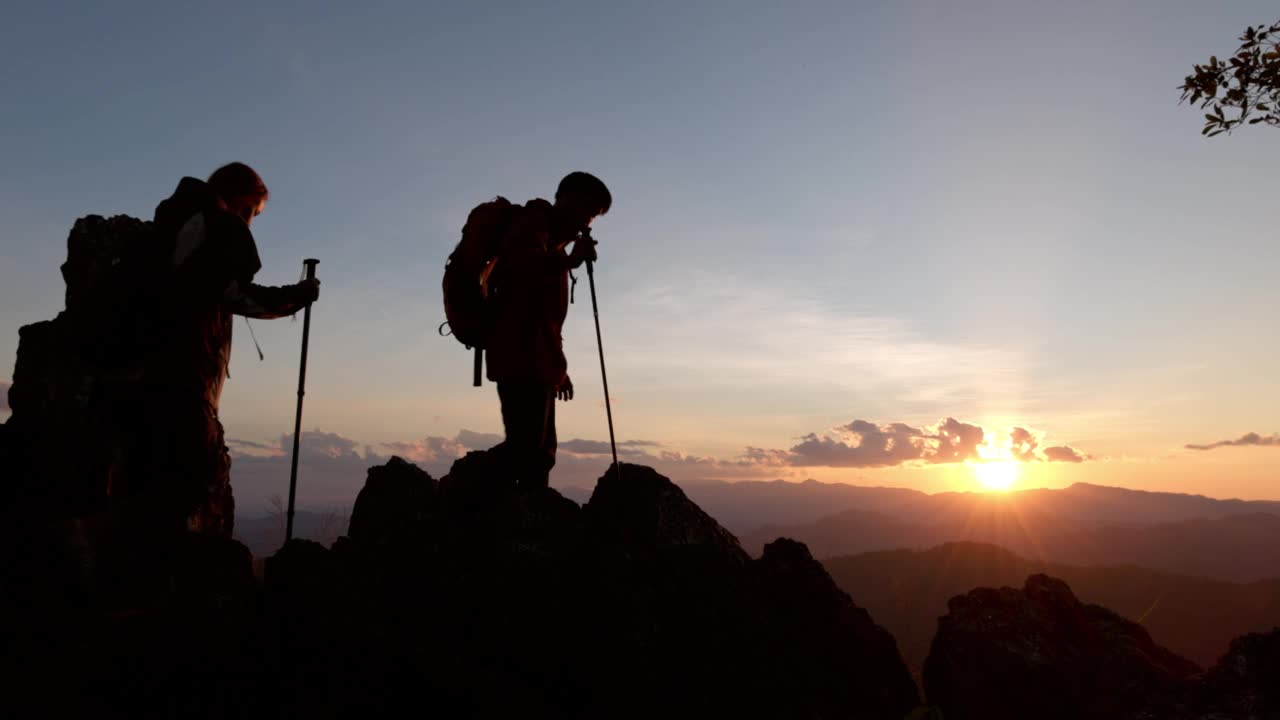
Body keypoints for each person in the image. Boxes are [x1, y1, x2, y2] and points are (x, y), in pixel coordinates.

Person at [115, 162, 319, 563]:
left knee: (146, 483)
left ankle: (132, 579)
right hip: (185, 373)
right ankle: (174, 588)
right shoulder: (220, 225)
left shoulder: (175, 224)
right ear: (243, 199)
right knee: (191, 483)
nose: (251, 222)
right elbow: (233, 292)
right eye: (253, 211)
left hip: (145, 373)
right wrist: (296, 295)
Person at [485, 171, 612, 490]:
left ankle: (531, 517)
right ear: (569, 199)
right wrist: (569, 262)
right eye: (590, 211)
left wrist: (559, 371)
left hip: (536, 360)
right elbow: (520, 272)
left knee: (541, 451)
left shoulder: (552, 247)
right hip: (517, 355)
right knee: (526, 445)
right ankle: (464, 488)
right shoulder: (531, 226)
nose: (588, 222)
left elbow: (545, 320)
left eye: (594, 216)